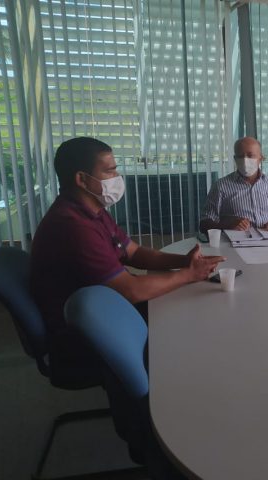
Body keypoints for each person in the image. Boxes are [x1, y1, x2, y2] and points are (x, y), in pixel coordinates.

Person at [31, 137, 224, 372]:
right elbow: (130, 291)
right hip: (84, 335)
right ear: (82, 179)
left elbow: (134, 252)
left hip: (108, 310)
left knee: (188, 307)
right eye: (110, 171)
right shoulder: (73, 226)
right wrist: (189, 274)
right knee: (189, 323)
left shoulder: (93, 211)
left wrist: (185, 262)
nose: (118, 177)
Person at [199, 136, 268, 233]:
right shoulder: (221, 186)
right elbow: (204, 224)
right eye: (240, 156)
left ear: (261, 158)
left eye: (250, 155)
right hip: (236, 241)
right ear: (235, 159)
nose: (245, 160)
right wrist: (227, 224)